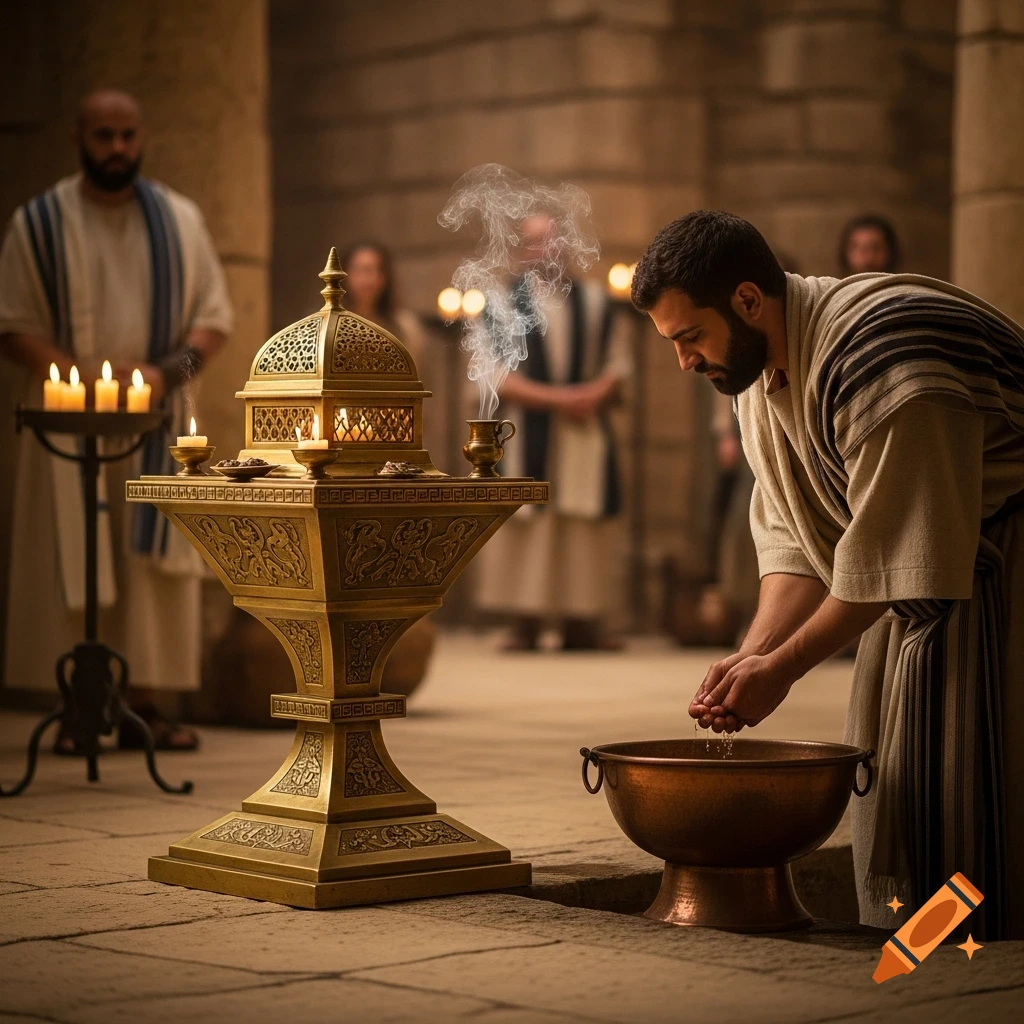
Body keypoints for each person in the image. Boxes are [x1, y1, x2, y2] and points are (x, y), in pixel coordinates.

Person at [631, 210, 1023, 940]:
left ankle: (988, 974)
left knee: (989, 797)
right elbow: (795, 538)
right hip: (917, 591)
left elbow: (892, 555)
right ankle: (920, 958)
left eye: (689, 337)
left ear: (749, 300)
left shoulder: (884, 353)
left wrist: (784, 669)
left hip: (1004, 581)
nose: (683, 361)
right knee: (921, 801)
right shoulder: (758, 374)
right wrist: (755, 653)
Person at [0, 89, 233, 751]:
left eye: (128, 135)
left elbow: (213, 321)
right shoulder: (38, 221)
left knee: (149, 566)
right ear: (78, 138)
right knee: (73, 556)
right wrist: (79, 381)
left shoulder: (180, 220)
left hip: (156, 415)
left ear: (142, 136)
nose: (117, 149)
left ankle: (148, 706)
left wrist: (161, 374)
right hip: (70, 419)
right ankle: (81, 706)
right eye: (103, 136)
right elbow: (12, 326)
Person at [475, 212, 633, 651]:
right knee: (530, 524)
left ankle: (581, 623)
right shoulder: (501, 304)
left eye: (555, 241)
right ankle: (524, 622)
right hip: (527, 432)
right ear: (523, 249)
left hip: (584, 431)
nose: (548, 250)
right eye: (538, 242)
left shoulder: (598, 301)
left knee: (580, 522)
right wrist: (563, 401)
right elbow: (494, 375)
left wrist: (595, 394)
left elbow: (619, 365)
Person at [340, 240, 426, 366]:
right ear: (344, 275)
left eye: (375, 270)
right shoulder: (329, 326)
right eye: (360, 270)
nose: (368, 279)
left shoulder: (406, 328)